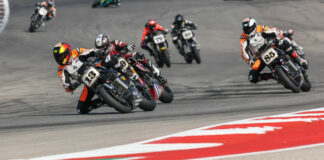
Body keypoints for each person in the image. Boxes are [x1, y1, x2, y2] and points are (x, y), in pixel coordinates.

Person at [240, 17, 308, 83]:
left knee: (285, 42)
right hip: (259, 56)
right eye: (246, 29)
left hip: (270, 46)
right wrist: (249, 61)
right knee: (252, 77)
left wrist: (278, 35)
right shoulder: (243, 37)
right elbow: (243, 51)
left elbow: (271, 30)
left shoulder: (261, 28)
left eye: (250, 28)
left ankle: (299, 59)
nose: (248, 31)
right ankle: (272, 76)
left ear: (254, 25)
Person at [53, 42, 101, 114]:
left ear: (67, 52)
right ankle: (103, 101)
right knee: (81, 109)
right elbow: (65, 84)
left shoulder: (77, 52)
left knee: (110, 60)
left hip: (97, 67)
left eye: (61, 56)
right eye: (57, 57)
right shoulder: (61, 69)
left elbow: (89, 51)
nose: (59, 59)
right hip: (88, 82)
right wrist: (70, 86)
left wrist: (97, 52)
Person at [95, 33, 161, 77]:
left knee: (139, 55)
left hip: (125, 57)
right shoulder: (101, 55)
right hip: (117, 69)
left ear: (106, 42)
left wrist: (127, 47)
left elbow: (124, 45)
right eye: (100, 48)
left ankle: (153, 69)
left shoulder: (114, 43)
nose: (102, 48)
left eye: (102, 46)